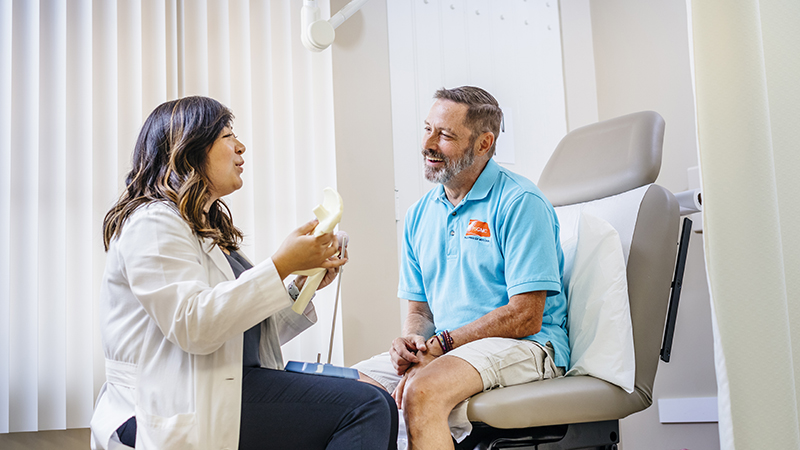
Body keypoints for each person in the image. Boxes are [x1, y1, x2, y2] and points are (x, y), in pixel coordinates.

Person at [90, 96, 398, 450]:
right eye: (227, 136)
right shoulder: (154, 223)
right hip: (167, 402)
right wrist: (280, 265)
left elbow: (241, 334)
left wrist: (300, 284)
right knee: (366, 406)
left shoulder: (204, 227)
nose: (241, 147)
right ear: (189, 148)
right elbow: (194, 327)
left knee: (373, 398)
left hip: (220, 383)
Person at [353, 86, 569, 449]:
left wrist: (442, 346)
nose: (429, 143)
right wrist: (414, 342)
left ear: (484, 143)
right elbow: (420, 309)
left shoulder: (520, 202)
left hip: (529, 345)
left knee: (421, 391)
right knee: (353, 391)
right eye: (427, 129)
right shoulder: (419, 215)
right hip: (452, 348)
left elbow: (525, 316)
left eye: (446, 135)